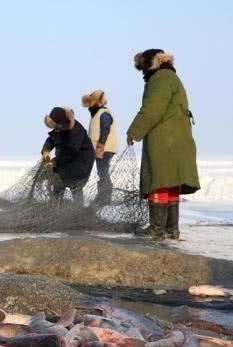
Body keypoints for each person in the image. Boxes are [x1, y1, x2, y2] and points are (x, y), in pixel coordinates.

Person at [127, 49, 200, 241]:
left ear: (150, 64)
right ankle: (171, 229)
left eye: (142, 68)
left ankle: (157, 229)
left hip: (164, 141)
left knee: (158, 182)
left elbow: (152, 110)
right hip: (176, 140)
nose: (142, 73)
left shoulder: (160, 79)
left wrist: (133, 131)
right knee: (170, 183)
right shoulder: (170, 77)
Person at [41, 107, 95, 205]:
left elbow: (71, 150)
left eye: (57, 127)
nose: (56, 129)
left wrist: (55, 162)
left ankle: (78, 212)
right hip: (65, 160)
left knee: (75, 185)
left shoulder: (76, 130)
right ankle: (55, 207)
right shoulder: (60, 127)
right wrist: (46, 150)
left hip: (81, 161)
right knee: (58, 183)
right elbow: (52, 138)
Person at [82, 90, 119, 205]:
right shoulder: (97, 114)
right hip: (99, 148)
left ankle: (105, 197)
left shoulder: (104, 113)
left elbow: (105, 129)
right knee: (102, 172)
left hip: (104, 148)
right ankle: (103, 196)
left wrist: (100, 145)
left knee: (103, 172)